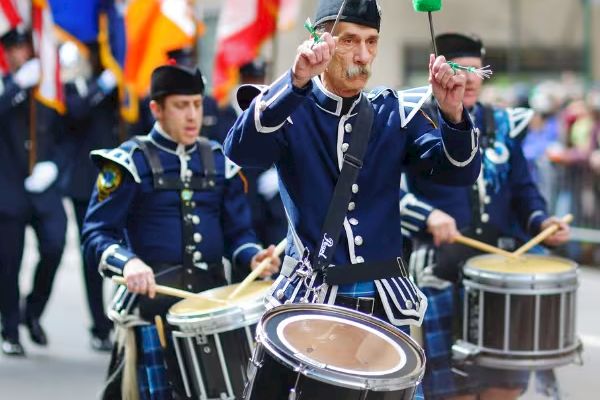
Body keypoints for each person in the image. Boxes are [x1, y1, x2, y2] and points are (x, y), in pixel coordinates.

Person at [225, 0, 481, 329]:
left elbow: (458, 172)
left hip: (386, 302)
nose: (363, 55)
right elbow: (241, 151)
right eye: (349, 41)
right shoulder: (288, 107)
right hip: (312, 300)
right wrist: (295, 82)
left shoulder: (394, 111)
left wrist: (453, 116)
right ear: (320, 42)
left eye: (371, 41)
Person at [82, 62, 280, 399]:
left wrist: (253, 256)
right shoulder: (128, 162)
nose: (192, 116)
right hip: (149, 311)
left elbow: (238, 234)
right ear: (156, 109)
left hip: (209, 310)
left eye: (197, 105)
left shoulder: (221, 161)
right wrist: (128, 263)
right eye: (181, 105)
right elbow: (96, 234)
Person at [401, 33, 570, 400]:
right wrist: (427, 215)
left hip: (496, 270)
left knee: (502, 389)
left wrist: (541, 222)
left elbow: (523, 189)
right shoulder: (414, 120)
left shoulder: (503, 124)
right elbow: (388, 190)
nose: (472, 80)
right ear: (441, 72)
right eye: (462, 70)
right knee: (453, 392)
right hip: (439, 271)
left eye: (479, 71)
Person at [0, 28, 67, 356]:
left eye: (24, 46)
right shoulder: (7, 85)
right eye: (12, 48)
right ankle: (10, 329)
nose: (19, 53)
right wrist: (15, 87)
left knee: (54, 245)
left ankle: (33, 312)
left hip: (44, 186)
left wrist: (53, 165)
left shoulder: (49, 85)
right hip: (8, 186)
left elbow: (71, 127)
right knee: (9, 263)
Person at [59, 41, 119, 351]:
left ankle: (121, 317)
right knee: (92, 253)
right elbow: (76, 111)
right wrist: (103, 83)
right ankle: (98, 325)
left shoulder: (121, 82)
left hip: (122, 178)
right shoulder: (72, 83)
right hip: (86, 182)